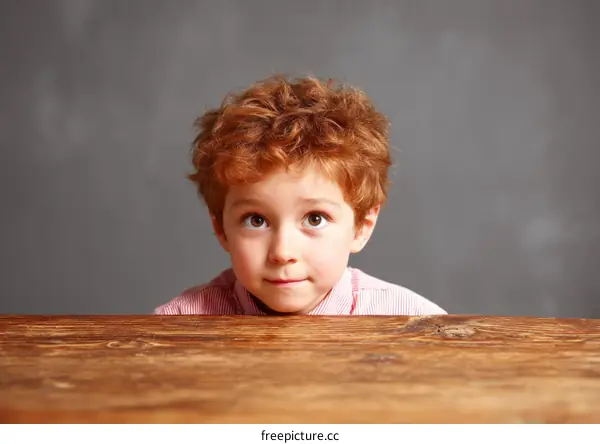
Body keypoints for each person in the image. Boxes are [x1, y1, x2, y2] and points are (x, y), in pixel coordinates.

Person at [154, 74, 446, 316]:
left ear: (361, 226)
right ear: (220, 227)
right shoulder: (179, 324)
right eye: (255, 220)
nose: (283, 253)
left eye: (315, 218)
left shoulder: (411, 320)